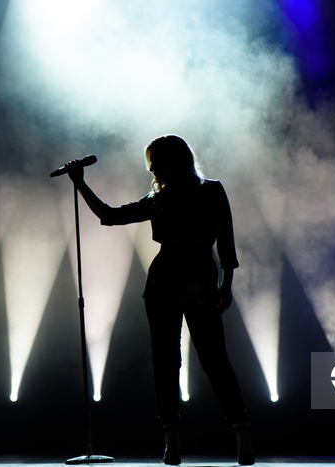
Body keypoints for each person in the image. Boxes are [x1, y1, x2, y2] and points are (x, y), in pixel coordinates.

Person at [65, 134, 254, 465]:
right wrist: (80, 184)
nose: (151, 168)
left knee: (211, 360)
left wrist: (227, 284)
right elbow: (109, 216)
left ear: (173, 162)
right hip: (171, 282)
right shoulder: (160, 199)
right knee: (171, 362)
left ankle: (239, 435)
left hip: (188, 280)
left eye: (155, 162)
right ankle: (175, 439)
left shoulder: (206, 191)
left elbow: (226, 240)